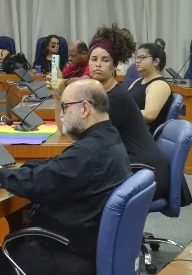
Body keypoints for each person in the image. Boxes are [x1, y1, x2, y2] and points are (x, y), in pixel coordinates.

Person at [0, 78, 131, 275]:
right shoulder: (108, 139)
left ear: (84, 108)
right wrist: (18, 169)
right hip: (89, 248)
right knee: (15, 244)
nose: (61, 115)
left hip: (70, 254)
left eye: (65, 107)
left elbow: (38, 183)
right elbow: (56, 167)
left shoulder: (87, 152)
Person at [57, 25, 170, 201]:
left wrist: (60, 95)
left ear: (114, 65)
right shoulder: (101, 95)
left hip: (144, 174)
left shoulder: (114, 99)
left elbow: (73, 135)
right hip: (128, 167)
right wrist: (57, 96)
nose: (98, 64)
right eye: (94, 59)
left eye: (105, 60)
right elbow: (65, 129)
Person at [130, 42, 174, 135]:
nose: (137, 61)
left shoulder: (159, 84)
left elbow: (149, 115)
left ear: (156, 62)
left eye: (142, 57)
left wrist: (121, 112)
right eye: (137, 57)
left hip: (142, 136)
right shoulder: (137, 81)